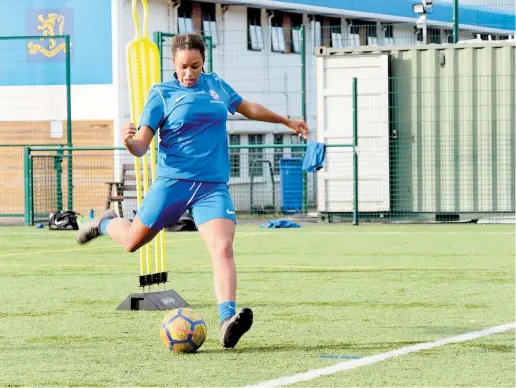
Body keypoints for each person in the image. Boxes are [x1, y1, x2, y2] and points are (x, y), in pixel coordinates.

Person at [76, 33, 309, 349]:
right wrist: (129, 141)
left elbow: (249, 108)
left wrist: (287, 122)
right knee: (132, 241)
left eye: (195, 66)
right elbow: (142, 146)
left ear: (203, 63)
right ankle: (105, 223)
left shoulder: (217, 87)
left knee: (222, 248)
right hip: (172, 184)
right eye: (184, 67)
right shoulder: (161, 94)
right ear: (174, 63)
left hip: (212, 188)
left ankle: (227, 320)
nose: (189, 73)